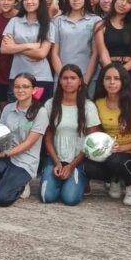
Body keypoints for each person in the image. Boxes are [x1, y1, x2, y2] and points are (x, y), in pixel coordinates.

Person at [85, 63, 131, 204]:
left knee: (116, 161)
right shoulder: (98, 103)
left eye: (117, 78)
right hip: (110, 152)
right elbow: (97, 132)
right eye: (108, 78)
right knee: (88, 166)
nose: (112, 82)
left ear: (124, 81)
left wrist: (121, 148)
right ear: (102, 81)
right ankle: (114, 179)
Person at [0, 73, 49, 206]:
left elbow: (29, 143)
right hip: (6, 158)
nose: (20, 90)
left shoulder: (40, 112)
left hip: (25, 162)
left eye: (25, 87)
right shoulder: (8, 108)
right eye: (17, 86)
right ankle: (11, 183)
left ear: (33, 90)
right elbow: (0, 133)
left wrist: (6, 153)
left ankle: (20, 185)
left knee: (2, 199)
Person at [40, 65, 102, 206]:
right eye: (65, 78)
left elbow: (91, 141)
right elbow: (48, 138)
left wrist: (72, 166)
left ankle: (79, 180)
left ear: (80, 81)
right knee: (46, 197)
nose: (68, 81)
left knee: (70, 199)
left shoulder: (88, 106)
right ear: (60, 81)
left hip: (78, 159)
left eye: (73, 78)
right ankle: (58, 178)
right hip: (56, 158)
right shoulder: (50, 104)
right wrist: (57, 162)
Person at [1, 0, 56, 100]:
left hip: (41, 78)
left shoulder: (48, 25)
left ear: (40, 1)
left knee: (38, 113)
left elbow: (41, 54)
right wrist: (31, 45)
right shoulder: (14, 21)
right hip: (17, 76)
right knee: (16, 112)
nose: (29, 1)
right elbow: (4, 49)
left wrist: (15, 46)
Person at [94, 0, 131, 90]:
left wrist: (122, 71)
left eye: (129, 2)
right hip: (108, 71)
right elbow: (103, 53)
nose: (123, 3)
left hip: (129, 72)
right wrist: (112, 73)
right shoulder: (100, 25)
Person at [50, 0, 99, 88]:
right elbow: (54, 53)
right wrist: (64, 77)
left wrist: (85, 80)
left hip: (87, 77)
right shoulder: (58, 20)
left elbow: (96, 53)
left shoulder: (96, 20)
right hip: (61, 77)